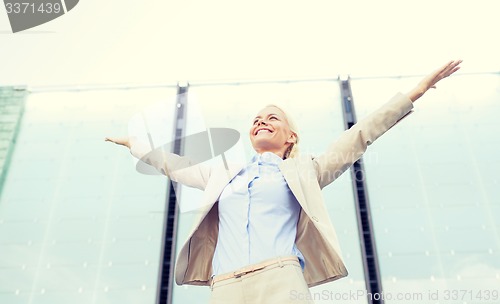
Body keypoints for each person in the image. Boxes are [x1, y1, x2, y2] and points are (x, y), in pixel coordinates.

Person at [105, 60, 462, 304]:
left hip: (280, 281)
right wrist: (135, 145)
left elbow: (360, 135)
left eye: (272, 117)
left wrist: (415, 91)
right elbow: (174, 165)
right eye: (256, 119)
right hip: (226, 286)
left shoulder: (307, 169)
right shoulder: (223, 175)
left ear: (290, 136)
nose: (261, 121)